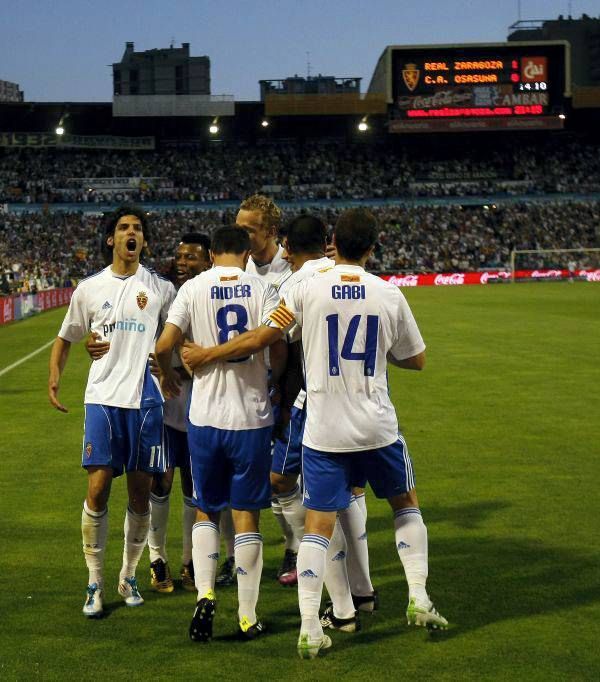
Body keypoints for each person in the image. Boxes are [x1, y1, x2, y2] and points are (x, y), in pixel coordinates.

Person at [181, 208, 448, 658]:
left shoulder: (301, 288)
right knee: (404, 504)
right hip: (377, 422)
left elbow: (268, 337)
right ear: (370, 248)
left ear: (332, 244)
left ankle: (313, 624)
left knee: (317, 525)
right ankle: (415, 596)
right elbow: (416, 359)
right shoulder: (387, 292)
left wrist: (208, 354)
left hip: (321, 424)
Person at [155, 226, 286, 642]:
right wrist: (275, 380)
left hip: (205, 417)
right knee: (247, 515)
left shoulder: (191, 289)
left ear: (212, 254)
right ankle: (247, 615)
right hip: (251, 416)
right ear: (246, 252)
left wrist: (170, 376)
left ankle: (205, 595)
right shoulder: (264, 288)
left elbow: (163, 346)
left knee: (206, 509)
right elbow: (276, 342)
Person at [48, 205, 176, 618]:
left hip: (145, 400)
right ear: (111, 239)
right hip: (102, 397)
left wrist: (172, 364)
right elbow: (66, 337)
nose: (131, 232)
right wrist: (55, 377)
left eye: (137, 228)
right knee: (98, 489)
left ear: (144, 240)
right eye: (123, 228)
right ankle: (95, 581)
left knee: (140, 494)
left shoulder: (160, 288)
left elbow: (180, 333)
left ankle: (128, 574)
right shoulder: (89, 288)